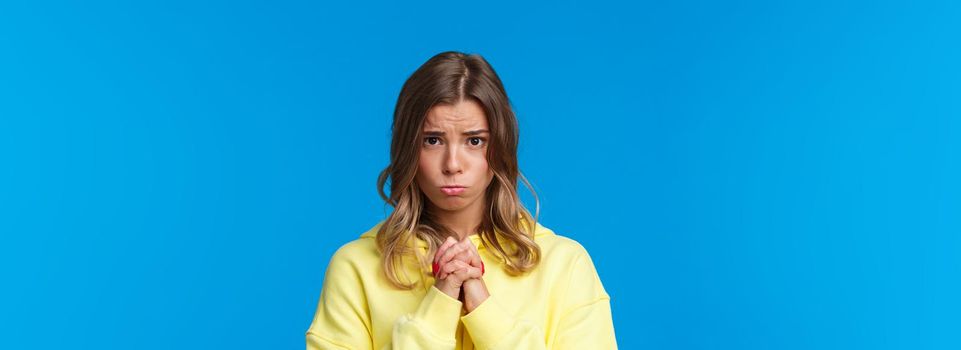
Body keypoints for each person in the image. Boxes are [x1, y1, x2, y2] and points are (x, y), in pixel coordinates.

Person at [305, 51, 617, 349]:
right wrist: (437, 309)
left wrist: (485, 313)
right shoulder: (355, 268)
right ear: (407, 149)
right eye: (432, 140)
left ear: (501, 148)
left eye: (474, 141)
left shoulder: (565, 265)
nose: (453, 164)